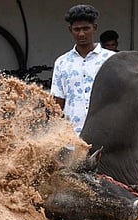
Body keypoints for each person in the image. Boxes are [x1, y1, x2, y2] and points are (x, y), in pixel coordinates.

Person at [50, 4, 115, 135]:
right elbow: (57, 102)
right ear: (70, 30)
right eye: (77, 29)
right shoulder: (62, 63)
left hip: (105, 133)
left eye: (86, 28)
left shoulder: (111, 60)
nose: (81, 34)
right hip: (72, 135)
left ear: (94, 28)